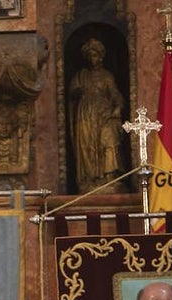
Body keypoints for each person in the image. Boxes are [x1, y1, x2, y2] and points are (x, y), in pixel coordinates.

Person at [68, 38, 125, 193]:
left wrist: (118, 108)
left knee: (108, 141)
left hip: (103, 114)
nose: (93, 59)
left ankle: (109, 177)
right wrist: (77, 92)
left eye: (95, 55)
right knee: (86, 146)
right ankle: (89, 178)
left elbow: (115, 94)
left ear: (100, 56)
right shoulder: (81, 75)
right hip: (85, 115)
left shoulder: (107, 76)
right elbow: (72, 93)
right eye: (90, 56)